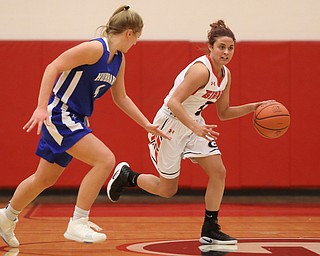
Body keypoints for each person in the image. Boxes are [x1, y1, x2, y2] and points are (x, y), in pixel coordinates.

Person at [0, 5, 170, 247]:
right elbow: (53, 67)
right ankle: (78, 222)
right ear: (129, 33)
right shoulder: (95, 48)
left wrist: (146, 124)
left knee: (43, 178)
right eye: (137, 38)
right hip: (60, 113)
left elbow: (121, 98)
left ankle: (6, 217)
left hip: (77, 118)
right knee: (105, 160)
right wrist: (40, 107)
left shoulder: (119, 60)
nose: (136, 44)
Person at [107, 20, 273, 245]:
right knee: (167, 190)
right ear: (211, 47)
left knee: (218, 171)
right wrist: (195, 127)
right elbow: (173, 102)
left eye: (230, 48)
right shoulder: (200, 70)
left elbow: (223, 112)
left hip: (194, 123)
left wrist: (254, 107)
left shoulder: (226, 75)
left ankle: (210, 227)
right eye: (221, 47)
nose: (226, 52)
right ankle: (128, 176)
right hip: (170, 125)